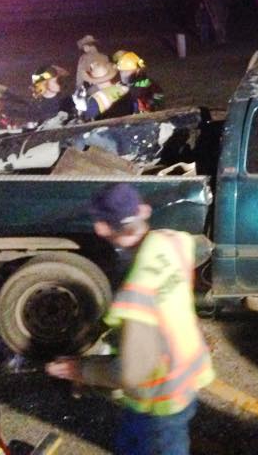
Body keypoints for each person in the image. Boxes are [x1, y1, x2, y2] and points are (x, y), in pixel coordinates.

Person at [45, 184, 214, 455]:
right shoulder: (174, 241)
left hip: (160, 398)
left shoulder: (136, 295)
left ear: (102, 228)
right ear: (143, 211)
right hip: (188, 373)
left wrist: (78, 370)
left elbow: (131, 372)